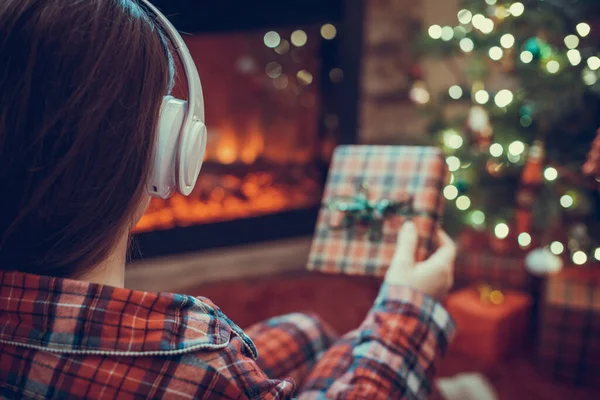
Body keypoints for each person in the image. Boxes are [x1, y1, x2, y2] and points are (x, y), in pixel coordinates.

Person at [0, 1, 456, 399]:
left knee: (306, 331)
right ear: (168, 150)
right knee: (336, 345)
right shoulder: (198, 360)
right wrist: (407, 307)